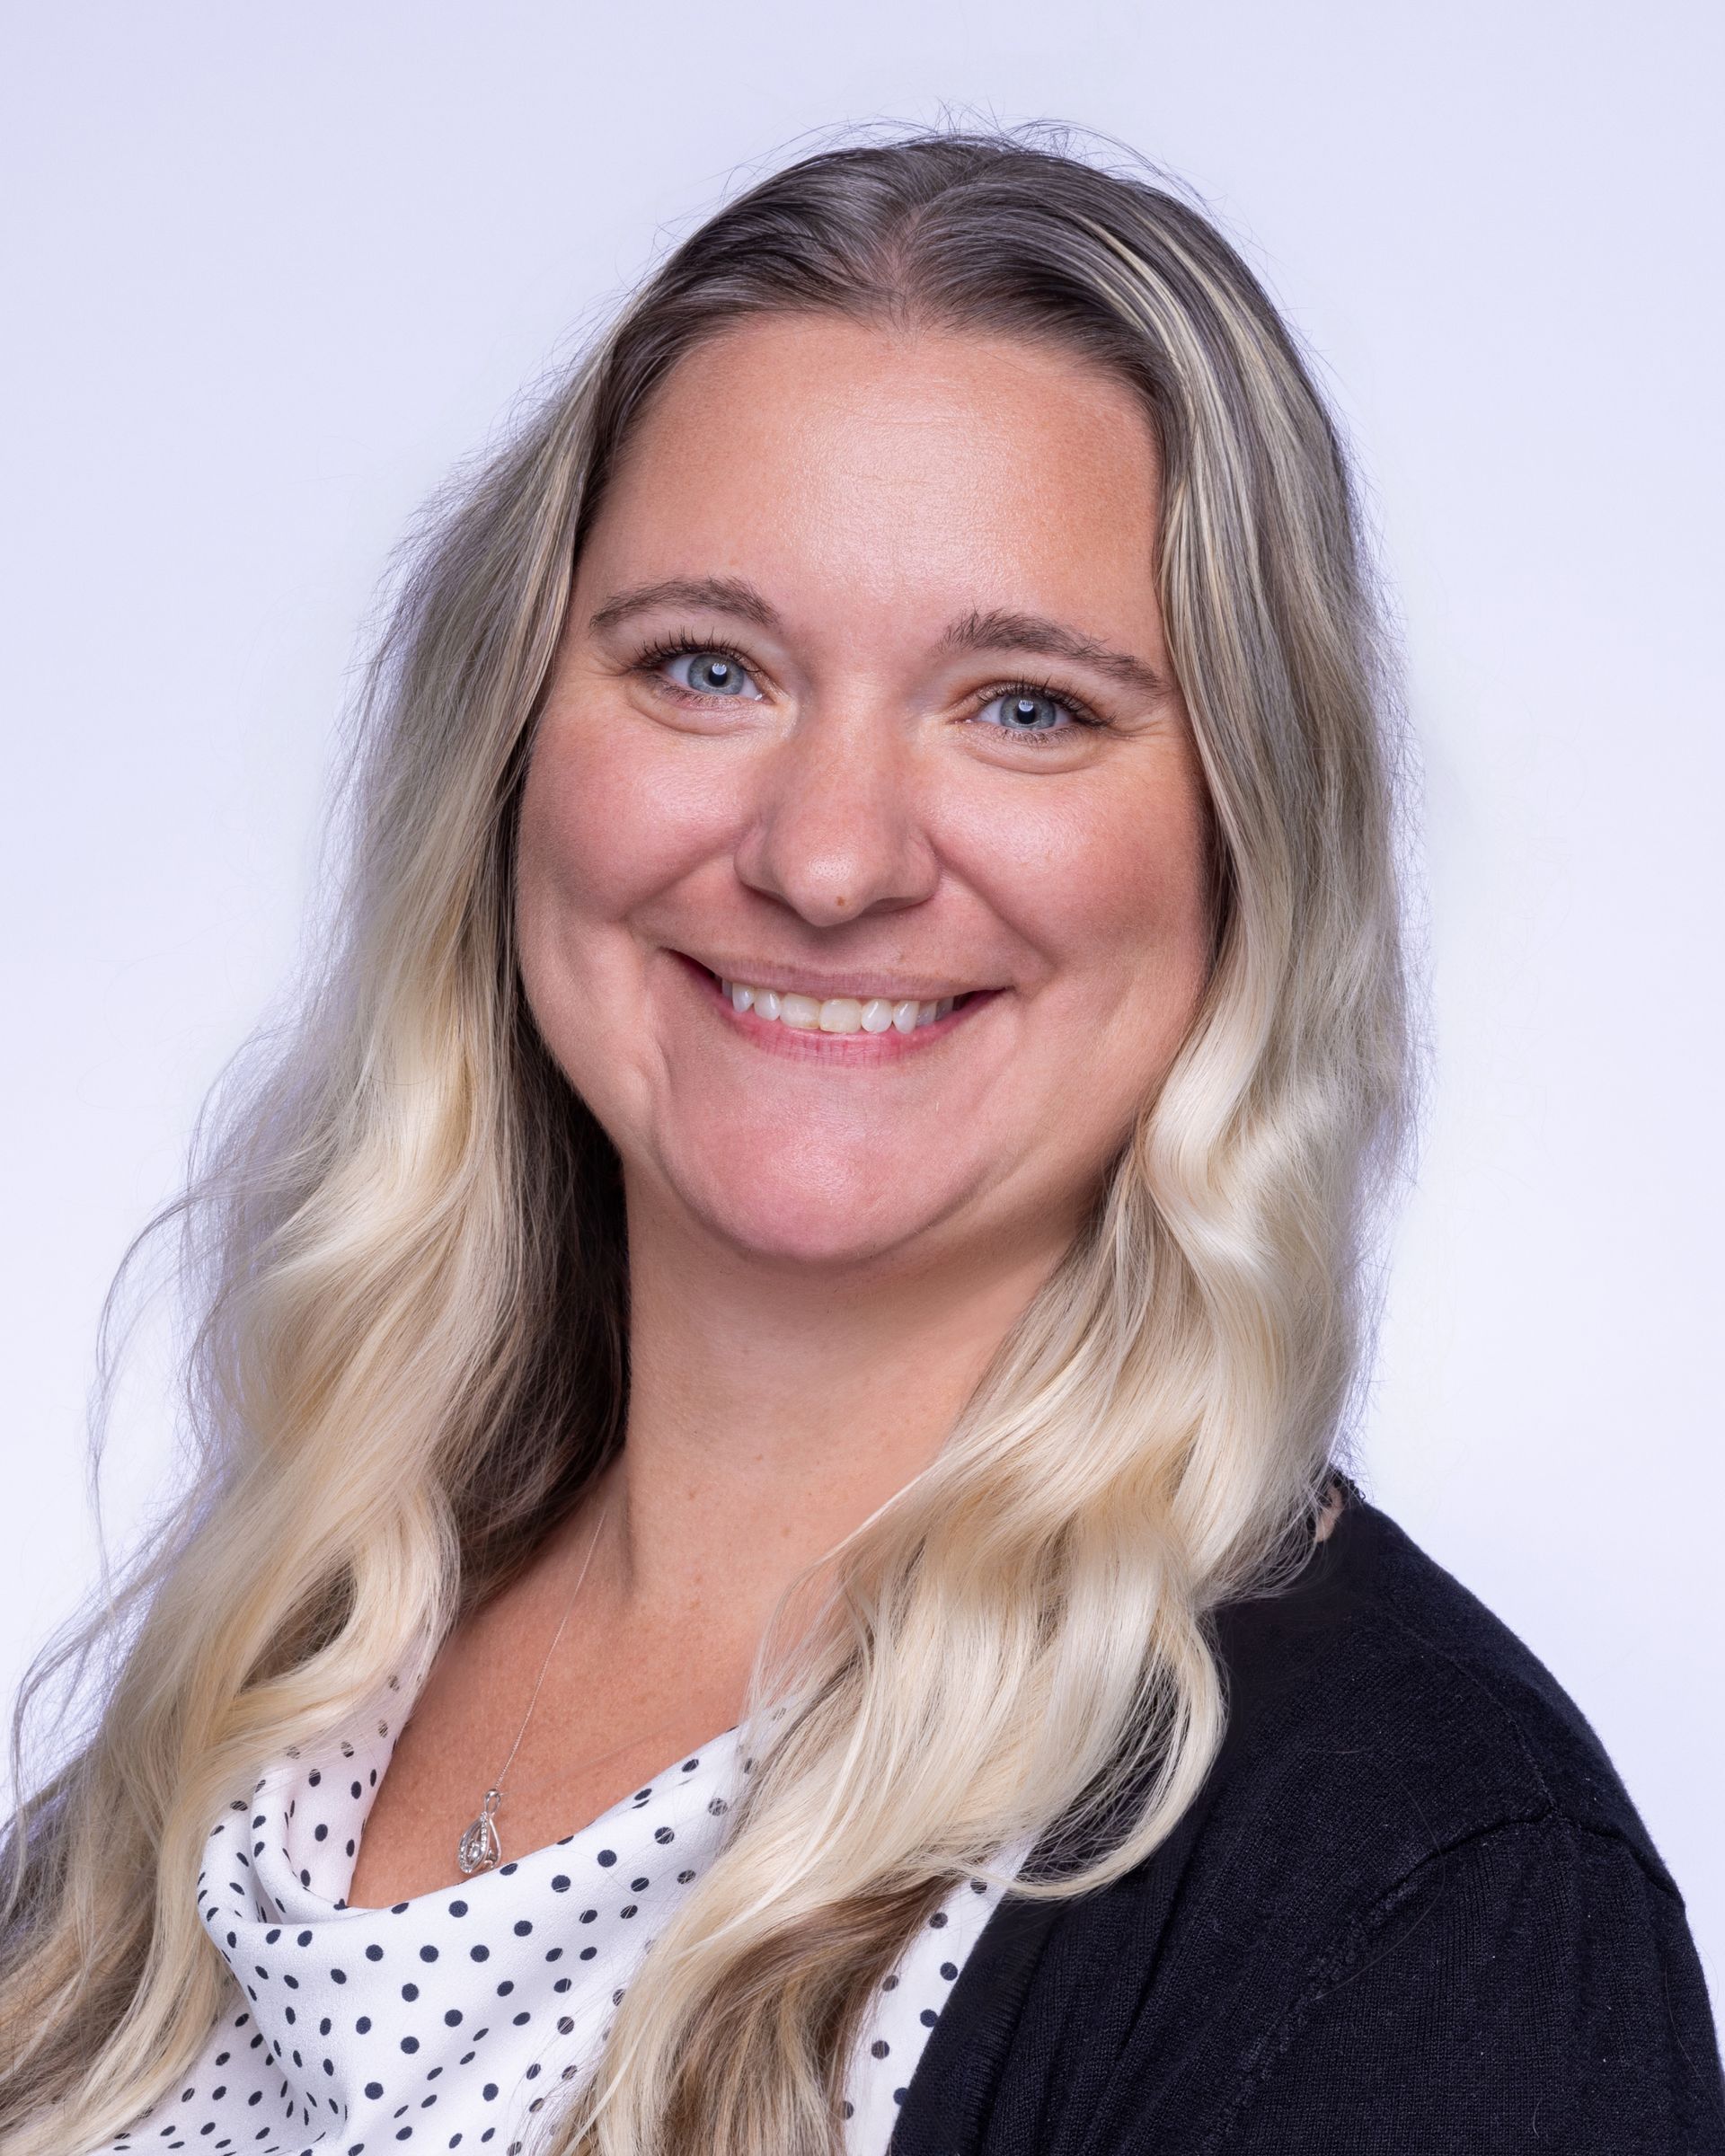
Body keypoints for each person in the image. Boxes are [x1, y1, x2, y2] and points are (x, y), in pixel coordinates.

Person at [2, 122, 1720, 2156]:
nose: (827, 862)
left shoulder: (1431, 1897)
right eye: (705, 669)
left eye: (1026, 707)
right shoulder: (279, 1683)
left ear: (1249, 848)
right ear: (512, 763)